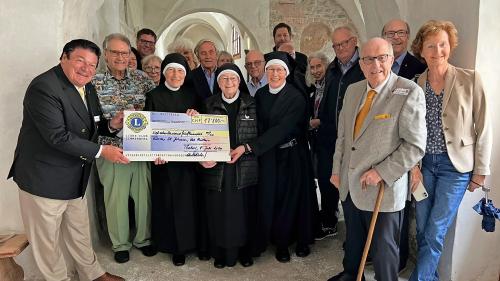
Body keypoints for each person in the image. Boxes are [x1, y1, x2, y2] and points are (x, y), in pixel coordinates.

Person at [8, 39, 127, 281]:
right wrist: (102, 151)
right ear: (64, 57)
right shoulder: (44, 87)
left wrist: (111, 125)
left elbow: (90, 125)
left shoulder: (87, 86)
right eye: (80, 61)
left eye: (92, 65)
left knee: (79, 232)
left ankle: (93, 274)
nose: (86, 69)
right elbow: (58, 137)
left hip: (74, 175)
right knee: (47, 243)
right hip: (43, 178)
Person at [328, 38, 426, 281]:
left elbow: (414, 146)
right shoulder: (353, 91)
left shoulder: (408, 91)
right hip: (350, 184)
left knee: (384, 251)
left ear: (391, 60)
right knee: (353, 243)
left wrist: (381, 172)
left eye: (382, 57)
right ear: (360, 63)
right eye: (368, 59)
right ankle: (352, 275)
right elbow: (343, 136)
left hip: (382, 188)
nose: (375, 64)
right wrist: (336, 169)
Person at [409, 20, 492, 281]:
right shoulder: (415, 84)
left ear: (450, 46)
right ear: (421, 51)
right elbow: (410, 132)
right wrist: (413, 167)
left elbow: (485, 127)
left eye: (442, 44)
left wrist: (480, 171)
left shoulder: (470, 79)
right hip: (422, 169)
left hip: (454, 169)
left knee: (435, 230)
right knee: (423, 229)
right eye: (430, 46)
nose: (437, 51)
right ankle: (429, 278)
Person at [231, 52, 316, 263]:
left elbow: (282, 129)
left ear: (286, 72)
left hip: (292, 155)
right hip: (268, 155)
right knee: (270, 198)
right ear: (266, 71)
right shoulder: (260, 95)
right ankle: (274, 239)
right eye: (271, 69)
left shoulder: (296, 97)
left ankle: (289, 243)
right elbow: (254, 125)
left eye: (279, 70)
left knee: (290, 200)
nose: (275, 73)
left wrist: (249, 147)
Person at [92, 33, 156, 263]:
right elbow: (88, 122)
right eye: (115, 52)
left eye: (124, 52)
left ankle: (144, 239)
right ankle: (120, 244)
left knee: (143, 197)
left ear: (131, 54)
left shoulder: (143, 79)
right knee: (116, 198)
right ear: (105, 55)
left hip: (141, 149)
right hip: (111, 150)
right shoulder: (94, 83)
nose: (120, 57)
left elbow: (160, 104)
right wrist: (111, 124)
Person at [144, 53, 201, 266]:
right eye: (171, 70)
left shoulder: (192, 95)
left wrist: (197, 116)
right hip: (164, 162)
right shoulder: (153, 95)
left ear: (185, 74)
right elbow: (149, 130)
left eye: (180, 71)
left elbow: (202, 128)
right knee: (166, 203)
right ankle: (170, 245)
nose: (175, 75)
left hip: (187, 164)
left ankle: (187, 244)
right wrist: (153, 154)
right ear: (164, 72)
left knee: (187, 204)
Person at [199, 63, 257, 269]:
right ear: (218, 82)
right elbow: (198, 135)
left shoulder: (252, 103)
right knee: (219, 211)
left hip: (244, 166)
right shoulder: (208, 104)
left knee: (244, 212)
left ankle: (245, 252)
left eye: (233, 78)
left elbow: (259, 135)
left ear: (239, 82)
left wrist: (246, 148)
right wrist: (202, 158)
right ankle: (220, 253)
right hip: (218, 167)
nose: (229, 82)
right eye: (224, 79)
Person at [382, 18, 427, 272]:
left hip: (407, 147)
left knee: (402, 206)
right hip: (380, 147)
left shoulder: (419, 67)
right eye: (391, 33)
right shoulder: (378, 66)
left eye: (401, 33)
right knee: (386, 206)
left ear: (408, 36)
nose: (396, 37)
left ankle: (397, 260)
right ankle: (384, 254)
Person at [316, 26, 364, 234]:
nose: (340, 48)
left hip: (356, 140)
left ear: (354, 41)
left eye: (344, 43)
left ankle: (355, 232)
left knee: (352, 185)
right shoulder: (333, 69)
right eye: (336, 45)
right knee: (328, 180)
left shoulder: (364, 66)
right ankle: (329, 221)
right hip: (330, 137)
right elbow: (327, 100)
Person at [305, 52, 334, 239]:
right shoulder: (315, 89)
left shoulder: (331, 86)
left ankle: (330, 222)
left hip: (330, 141)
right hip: (318, 142)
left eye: (318, 66)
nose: (316, 71)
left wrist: (318, 122)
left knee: (328, 181)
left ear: (326, 65)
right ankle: (326, 217)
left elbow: (333, 114)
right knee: (322, 180)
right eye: (312, 67)